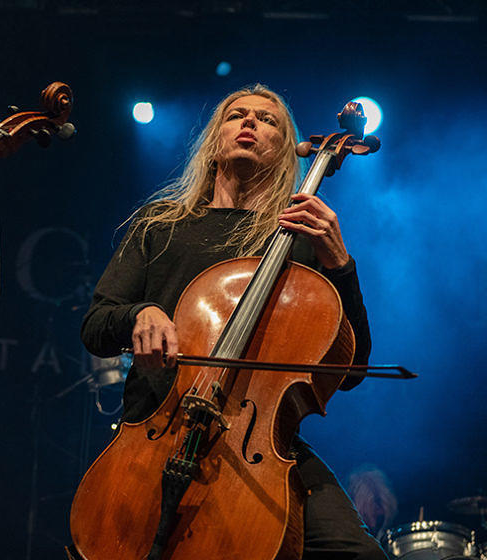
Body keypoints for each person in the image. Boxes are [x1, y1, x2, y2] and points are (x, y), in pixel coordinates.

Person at [80, 84, 385, 559]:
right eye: (236, 115)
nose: (249, 123)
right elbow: (96, 325)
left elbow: (351, 371)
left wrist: (340, 263)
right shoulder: (159, 225)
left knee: (356, 554)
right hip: (157, 431)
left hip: (259, 445)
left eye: (267, 120)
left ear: (286, 149)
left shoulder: (301, 243)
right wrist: (140, 312)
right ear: (214, 140)